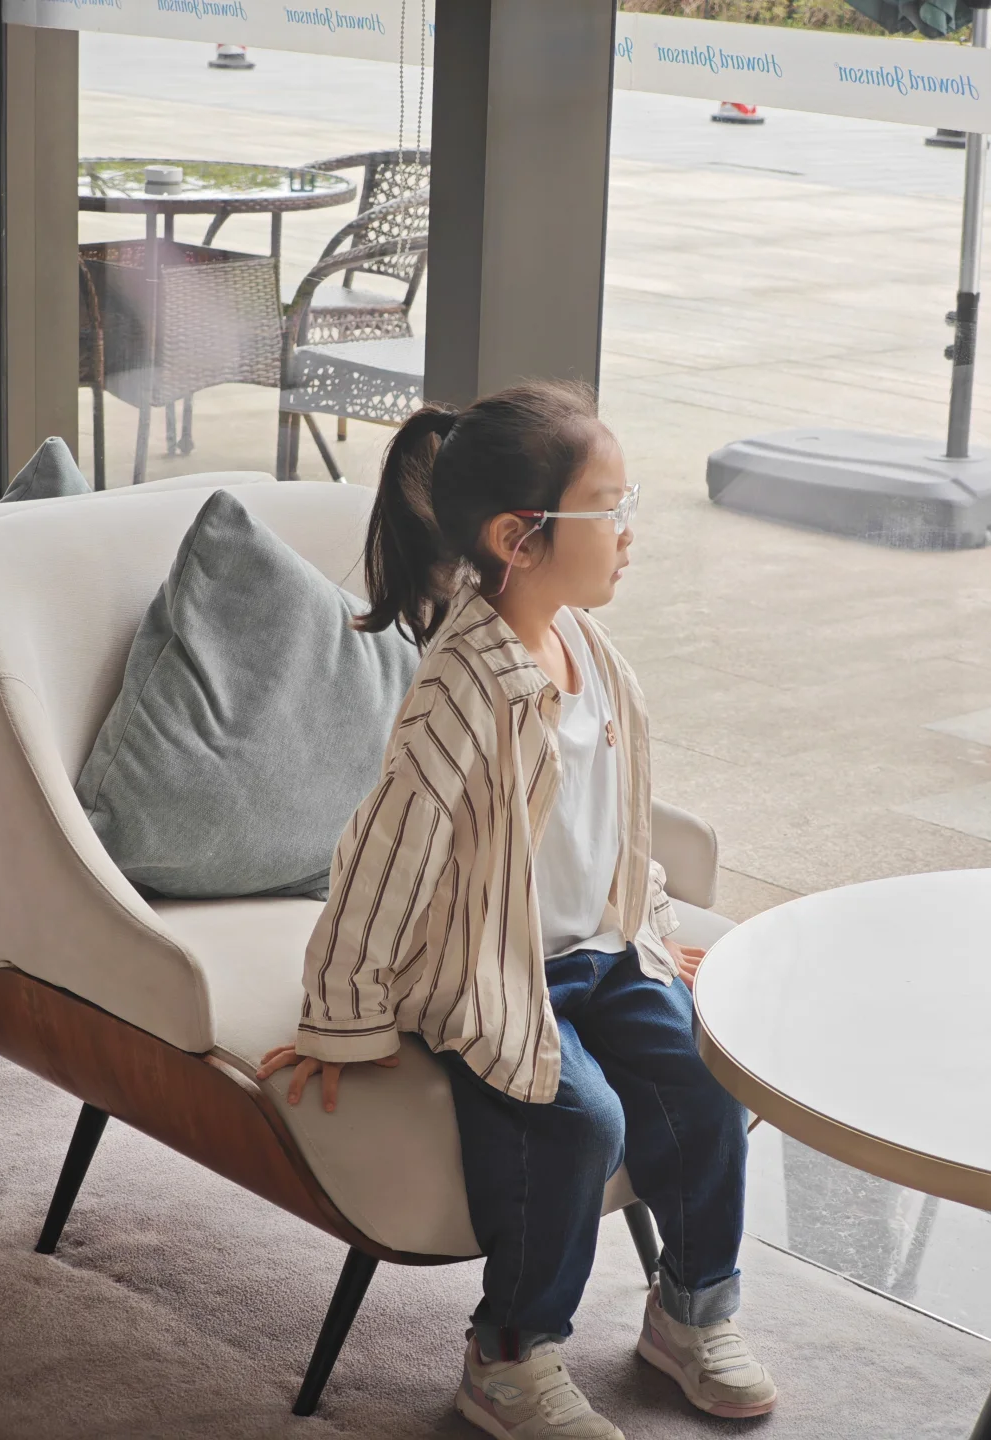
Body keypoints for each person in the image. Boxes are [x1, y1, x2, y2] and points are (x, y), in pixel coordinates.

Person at [257, 381, 776, 1438]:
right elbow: (385, 858)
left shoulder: (589, 649)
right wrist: (339, 1017)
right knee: (581, 1120)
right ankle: (508, 1354)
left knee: (709, 1078)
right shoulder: (461, 689)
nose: (629, 530)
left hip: (598, 951)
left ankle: (690, 1311)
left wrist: (651, 925)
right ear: (518, 538)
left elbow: (611, 818)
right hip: (489, 968)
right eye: (611, 507)